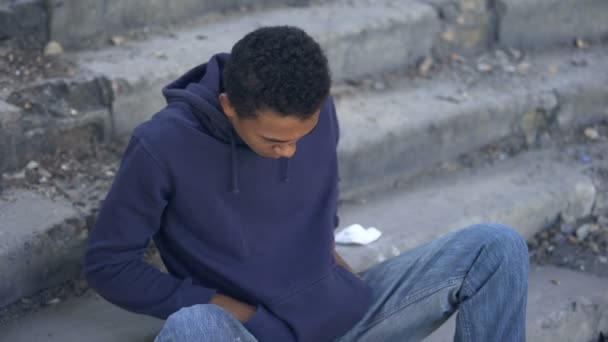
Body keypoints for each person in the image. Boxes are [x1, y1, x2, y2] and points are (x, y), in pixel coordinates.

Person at [84, 26, 529, 342]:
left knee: (496, 245)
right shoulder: (162, 144)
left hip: (343, 319)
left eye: (304, 134)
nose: (291, 151)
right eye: (274, 140)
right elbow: (110, 266)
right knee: (193, 328)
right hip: (249, 332)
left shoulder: (314, 110)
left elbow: (318, 202)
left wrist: (332, 274)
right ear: (229, 106)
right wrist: (241, 312)